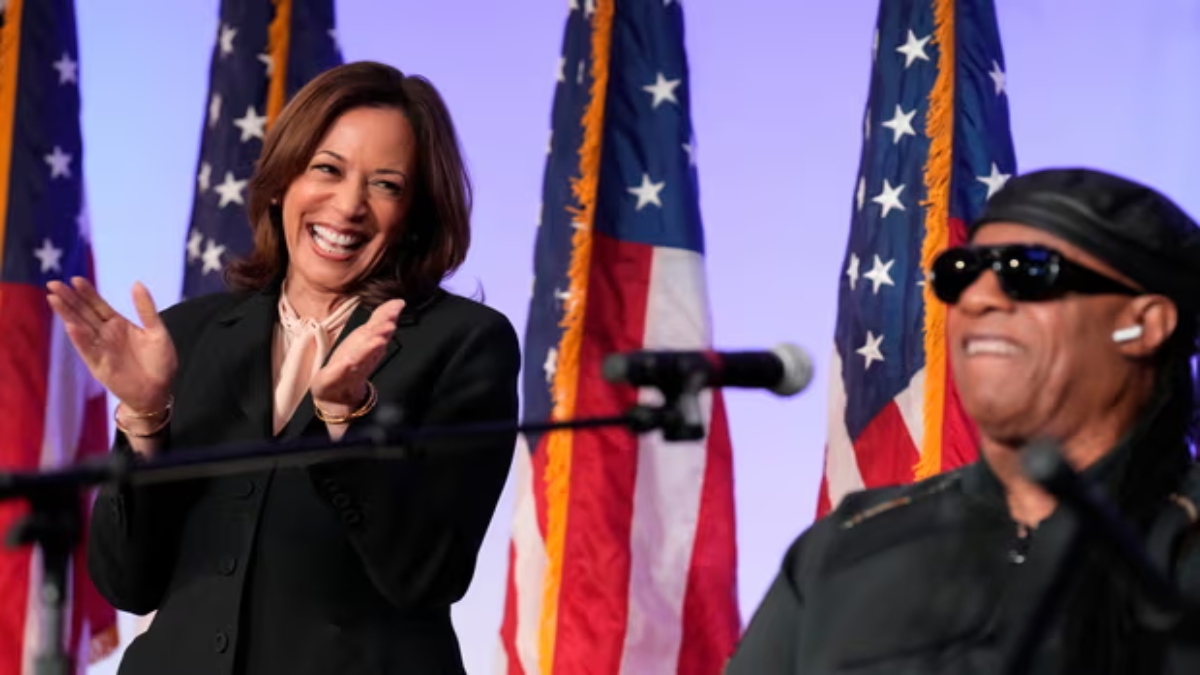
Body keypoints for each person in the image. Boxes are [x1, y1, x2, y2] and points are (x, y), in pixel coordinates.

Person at [46, 61, 520, 675]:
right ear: (282, 182)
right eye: (327, 168)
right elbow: (127, 585)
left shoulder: (463, 343)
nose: (348, 205)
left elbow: (427, 576)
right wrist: (144, 418)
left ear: (416, 214)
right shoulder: (187, 334)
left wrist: (348, 419)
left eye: (386, 185)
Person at [725, 168, 1200, 674]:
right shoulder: (844, 550)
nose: (977, 298)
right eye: (959, 273)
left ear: (1145, 323)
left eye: (1029, 270)